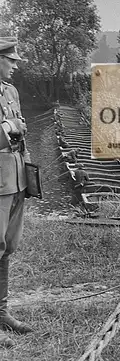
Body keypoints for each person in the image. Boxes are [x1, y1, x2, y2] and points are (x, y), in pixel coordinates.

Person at [0, 37, 33, 348]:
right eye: (10, 60)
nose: (15, 65)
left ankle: (2, 312)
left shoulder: (11, 91)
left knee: (8, 247)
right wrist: (9, 127)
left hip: (16, 178)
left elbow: (21, 130)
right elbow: (11, 129)